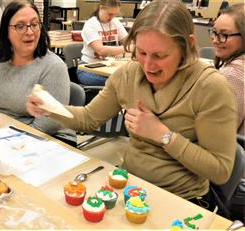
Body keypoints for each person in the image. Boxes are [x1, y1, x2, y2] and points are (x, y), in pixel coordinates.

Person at [27, 0, 237, 210]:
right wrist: (50, 106)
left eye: (160, 56)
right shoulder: (128, 74)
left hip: (181, 200)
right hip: (129, 186)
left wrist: (163, 135)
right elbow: (89, 119)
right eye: (141, 53)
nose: (147, 65)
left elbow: (220, 170)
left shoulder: (210, 87)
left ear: (188, 45)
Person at [0, 0, 75, 145]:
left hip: (44, 139)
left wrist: (5, 142)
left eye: (34, 25)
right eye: (20, 26)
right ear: (6, 32)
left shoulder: (54, 66)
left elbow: (48, 125)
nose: (29, 32)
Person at [210, 3, 245, 136]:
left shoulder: (233, 76)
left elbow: (217, 134)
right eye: (214, 32)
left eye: (224, 35)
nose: (215, 40)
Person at [77, 0, 128, 86]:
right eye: (110, 14)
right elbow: (101, 50)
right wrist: (127, 48)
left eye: (115, 14)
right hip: (88, 69)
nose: (112, 17)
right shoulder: (91, 24)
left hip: (108, 67)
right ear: (101, 8)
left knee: (129, 79)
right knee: (120, 83)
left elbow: (129, 41)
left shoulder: (115, 22)